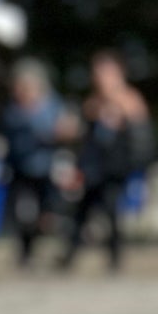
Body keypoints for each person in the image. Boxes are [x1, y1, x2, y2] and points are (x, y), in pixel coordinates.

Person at [60, 51, 152, 273]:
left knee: (111, 212)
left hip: (116, 168)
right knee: (82, 212)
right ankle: (70, 255)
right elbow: (84, 136)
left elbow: (140, 135)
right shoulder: (93, 102)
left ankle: (115, 257)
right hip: (94, 168)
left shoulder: (130, 99)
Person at [2, 60, 72, 267]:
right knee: (22, 214)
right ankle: (25, 254)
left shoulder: (53, 105)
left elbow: (67, 129)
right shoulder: (14, 110)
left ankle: (61, 249)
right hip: (20, 168)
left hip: (47, 169)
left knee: (48, 214)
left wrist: (61, 132)